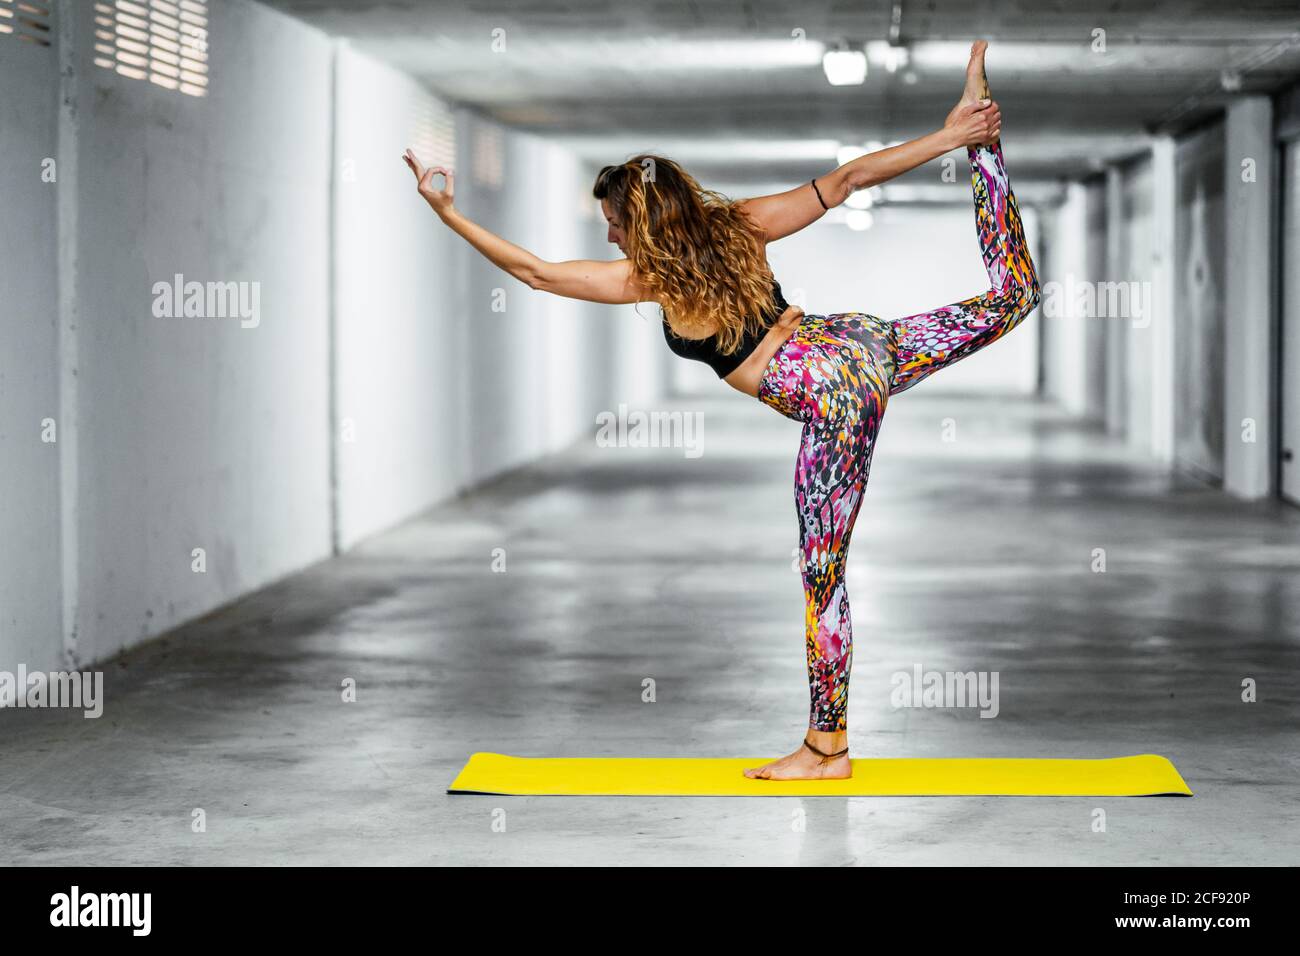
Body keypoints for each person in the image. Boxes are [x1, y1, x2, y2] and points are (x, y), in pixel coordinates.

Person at [403, 40, 1040, 781]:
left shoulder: (650, 280)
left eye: (613, 222)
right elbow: (850, 178)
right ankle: (985, 148)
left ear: (641, 221)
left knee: (822, 574)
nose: (609, 235)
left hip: (832, 391)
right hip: (860, 342)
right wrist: (953, 138)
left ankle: (826, 750)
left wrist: (448, 214)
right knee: (1012, 296)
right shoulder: (743, 225)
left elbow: (536, 273)